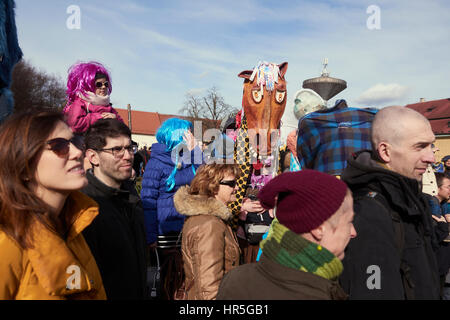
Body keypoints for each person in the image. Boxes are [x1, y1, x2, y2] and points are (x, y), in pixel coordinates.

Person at [0, 111, 106, 299]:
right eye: (59, 146)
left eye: (75, 142)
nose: (77, 152)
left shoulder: (74, 228)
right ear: (24, 167)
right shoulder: (7, 242)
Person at [339, 106, 441, 299]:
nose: (431, 158)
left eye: (431, 145)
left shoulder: (410, 198)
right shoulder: (369, 211)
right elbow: (372, 290)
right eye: (420, 147)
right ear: (385, 151)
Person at [217, 170, 355, 300]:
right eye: (348, 222)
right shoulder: (317, 293)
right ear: (319, 229)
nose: (353, 232)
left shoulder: (236, 281)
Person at [81, 119, 147, 299]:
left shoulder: (131, 198)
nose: (127, 156)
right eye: (116, 150)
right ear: (93, 157)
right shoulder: (85, 208)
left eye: (129, 147)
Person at [140, 117, 201, 299]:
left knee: (181, 281)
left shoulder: (188, 157)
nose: (190, 137)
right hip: (163, 232)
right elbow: (148, 201)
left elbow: (205, 179)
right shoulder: (157, 162)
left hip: (185, 230)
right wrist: (150, 236)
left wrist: (195, 151)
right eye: (187, 133)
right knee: (159, 280)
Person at [173, 163, 241, 300]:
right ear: (213, 186)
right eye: (231, 184)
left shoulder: (213, 220)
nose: (237, 188)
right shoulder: (209, 225)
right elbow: (208, 288)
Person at [62, 61, 123, 134]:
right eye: (99, 84)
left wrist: (115, 119)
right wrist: (98, 117)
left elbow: (123, 128)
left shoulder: (108, 106)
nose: (103, 87)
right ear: (88, 85)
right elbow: (74, 124)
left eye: (106, 84)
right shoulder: (79, 102)